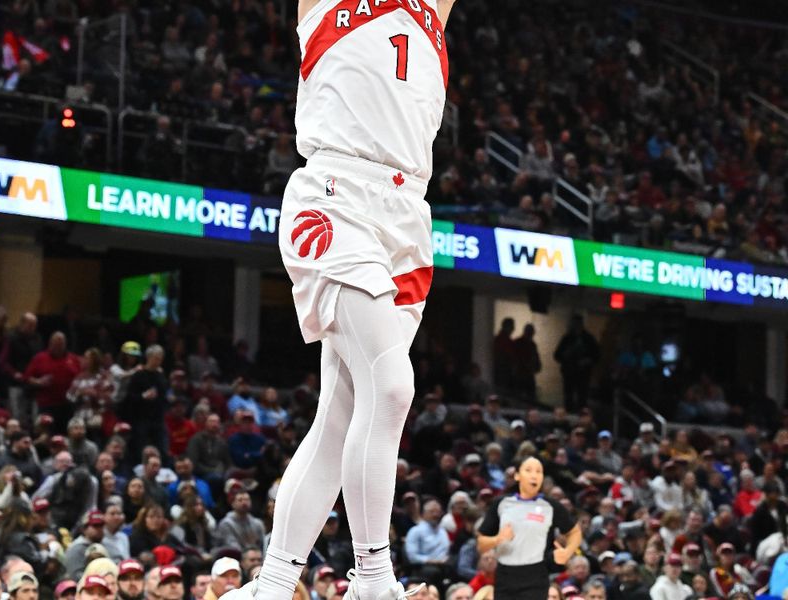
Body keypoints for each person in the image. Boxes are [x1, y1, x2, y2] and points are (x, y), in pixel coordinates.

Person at [227, 0, 458, 599]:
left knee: (342, 412)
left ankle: (272, 585)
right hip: (337, 193)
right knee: (392, 386)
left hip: (408, 217)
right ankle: (374, 578)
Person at [477, 457, 582, 600]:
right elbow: (481, 543)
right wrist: (498, 539)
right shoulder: (501, 503)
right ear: (517, 475)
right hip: (505, 574)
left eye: (539, 472)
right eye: (528, 470)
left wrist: (568, 552)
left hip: (536, 573)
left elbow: (574, 532)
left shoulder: (550, 506)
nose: (534, 475)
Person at [553, 315, 600, 411]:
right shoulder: (567, 338)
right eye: (573, 324)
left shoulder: (588, 338)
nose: (575, 326)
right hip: (569, 372)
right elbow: (557, 355)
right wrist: (567, 354)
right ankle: (569, 413)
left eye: (577, 324)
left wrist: (587, 360)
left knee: (582, 396)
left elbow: (597, 355)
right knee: (568, 395)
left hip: (583, 373)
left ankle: (581, 416)